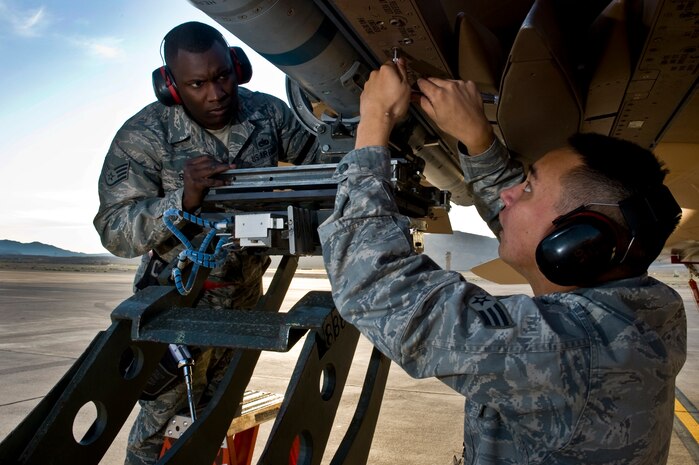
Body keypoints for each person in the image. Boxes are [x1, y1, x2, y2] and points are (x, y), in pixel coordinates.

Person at [318, 59, 686, 464]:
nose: (510, 195)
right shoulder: (643, 311)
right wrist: (478, 140)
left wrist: (375, 120)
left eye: (528, 188)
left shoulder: (569, 350)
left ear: (577, 242)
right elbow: (532, 229)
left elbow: (374, 285)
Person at [93, 21, 319, 465]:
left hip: (243, 306)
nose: (215, 93)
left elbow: (323, 163)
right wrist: (181, 200)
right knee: (159, 430)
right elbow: (114, 230)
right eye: (197, 84)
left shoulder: (268, 116)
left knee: (218, 417)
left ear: (237, 66)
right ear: (170, 86)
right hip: (177, 311)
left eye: (222, 76)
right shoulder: (144, 136)